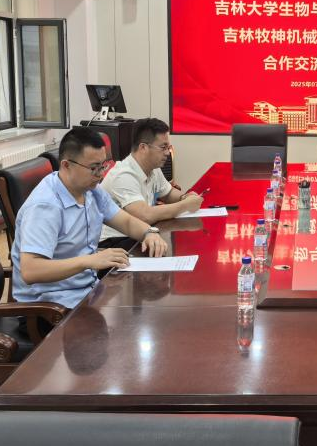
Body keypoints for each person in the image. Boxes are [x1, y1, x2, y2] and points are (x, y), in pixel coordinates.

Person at [11, 126, 168, 308]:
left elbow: (125, 221)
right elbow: (31, 271)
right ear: (66, 165)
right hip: (50, 306)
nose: (101, 175)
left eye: (103, 166)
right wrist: (89, 261)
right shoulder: (45, 206)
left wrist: (149, 233)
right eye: (94, 168)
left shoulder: (91, 190)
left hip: (87, 292)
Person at [99, 117, 203, 248]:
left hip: (142, 233)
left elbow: (168, 193)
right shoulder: (123, 175)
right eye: (163, 147)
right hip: (116, 241)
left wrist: (185, 197)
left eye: (168, 147)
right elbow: (144, 215)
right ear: (143, 147)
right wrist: (185, 205)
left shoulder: (153, 168)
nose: (167, 153)